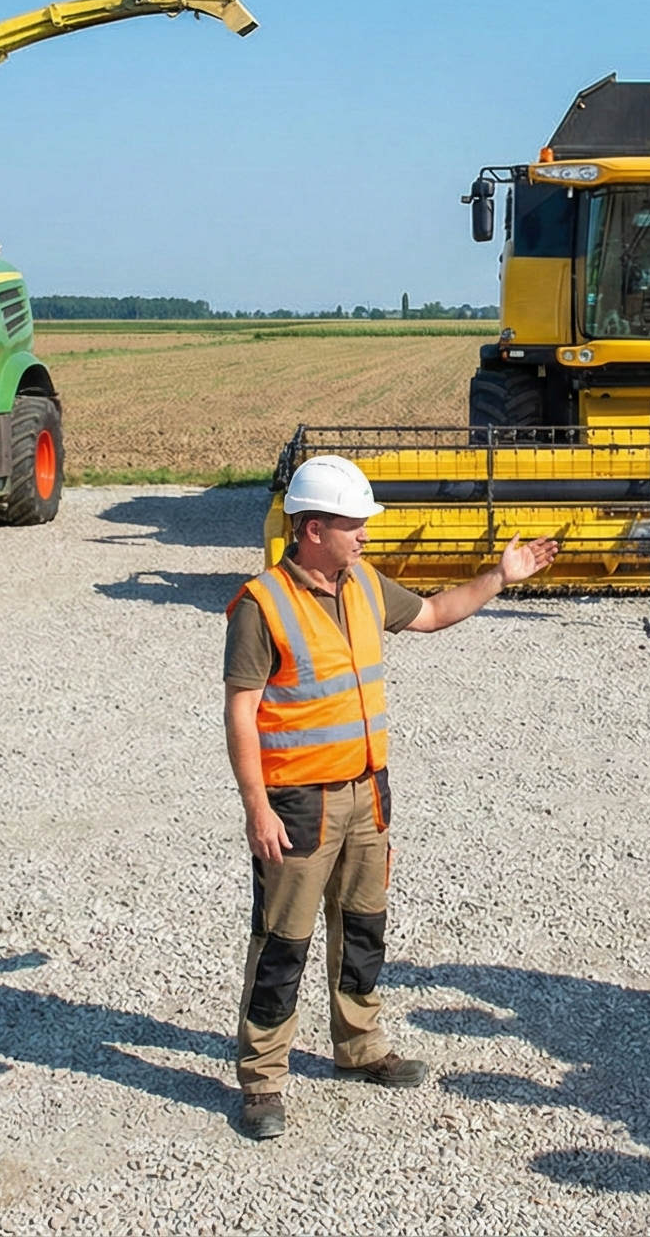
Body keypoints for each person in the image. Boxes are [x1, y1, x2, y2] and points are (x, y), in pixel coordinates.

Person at [223, 454, 557, 1140]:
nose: (366, 535)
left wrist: (500, 576)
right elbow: (240, 710)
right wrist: (256, 805)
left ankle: (360, 1046)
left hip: (368, 792)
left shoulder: (363, 584)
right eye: (354, 526)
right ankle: (261, 1081)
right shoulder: (263, 605)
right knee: (282, 942)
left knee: (364, 928)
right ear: (312, 529)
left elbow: (433, 613)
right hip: (298, 804)